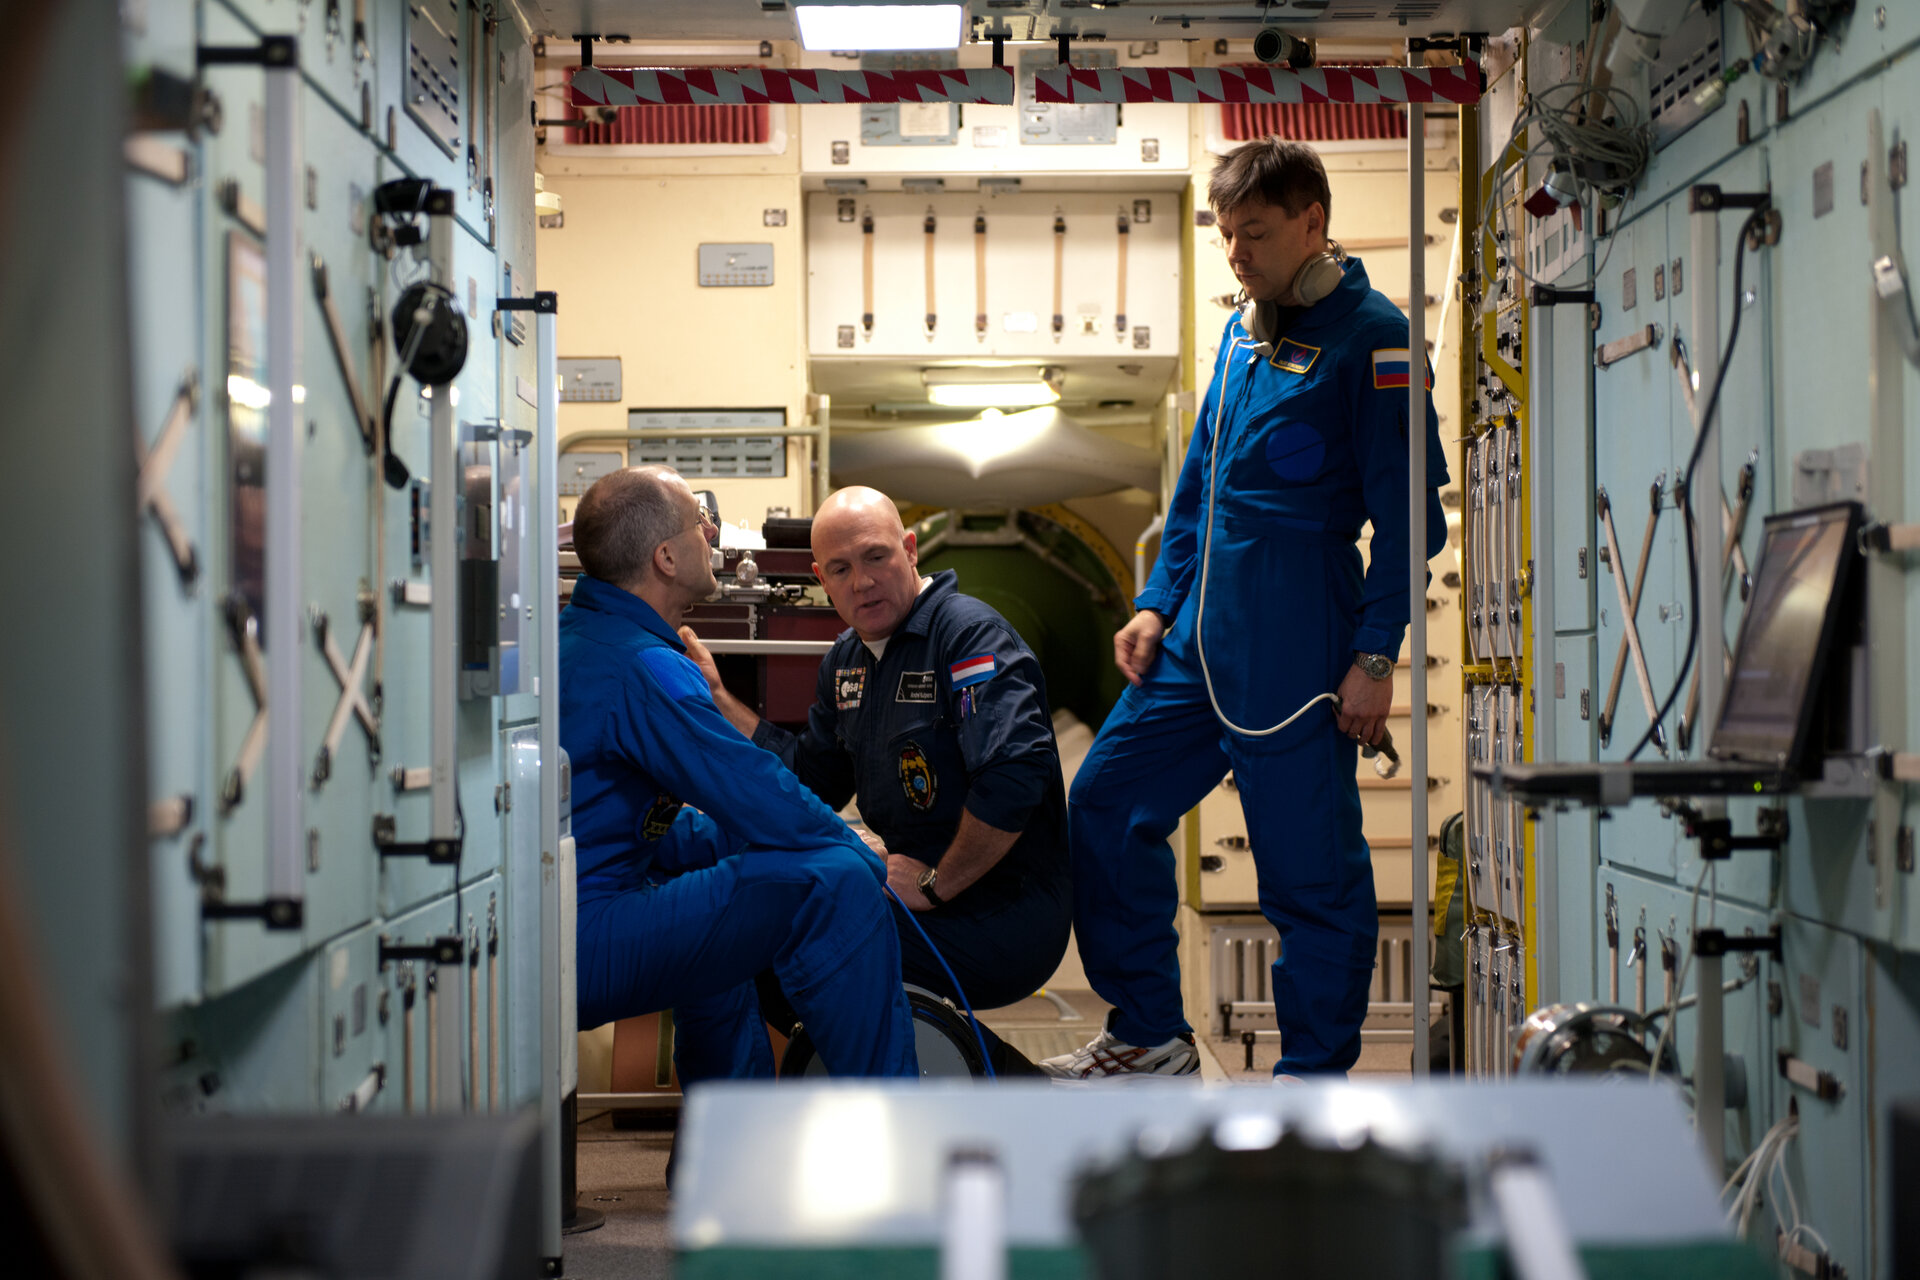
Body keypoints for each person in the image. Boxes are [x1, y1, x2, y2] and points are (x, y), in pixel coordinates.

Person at [1042, 138, 1449, 1081]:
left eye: (1255, 234)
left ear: (1314, 219)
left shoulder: (1375, 338)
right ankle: (1149, 1032)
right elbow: (1200, 488)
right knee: (1103, 804)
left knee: (1309, 881)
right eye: (1227, 236)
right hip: (1193, 647)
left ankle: (1309, 1083)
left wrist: (1376, 657)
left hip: (1298, 650)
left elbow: (1408, 521)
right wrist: (1155, 603)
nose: (1238, 253)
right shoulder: (1241, 332)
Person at [684, 487, 1071, 1075]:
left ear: (910, 551)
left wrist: (939, 883)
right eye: (840, 569)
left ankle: (1019, 1093)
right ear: (821, 578)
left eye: (875, 557)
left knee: (805, 931)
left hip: (1002, 912)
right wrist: (718, 701)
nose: (861, 581)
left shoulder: (967, 635)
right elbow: (811, 778)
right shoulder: (846, 663)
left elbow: (1015, 773)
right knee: (765, 929)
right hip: (925, 896)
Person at [560, 465, 917, 1082]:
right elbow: (754, 793)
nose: (711, 531)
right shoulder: (642, 667)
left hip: (557, 925)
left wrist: (739, 839)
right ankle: (896, 1137)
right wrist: (858, 850)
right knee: (832, 880)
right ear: (666, 558)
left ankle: (723, 1161)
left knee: (716, 923)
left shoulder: (584, 638)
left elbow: (635, 827)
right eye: (698, 524)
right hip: (582, 943)